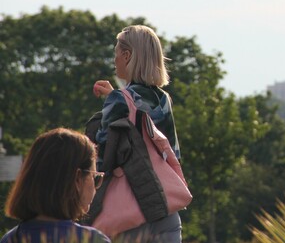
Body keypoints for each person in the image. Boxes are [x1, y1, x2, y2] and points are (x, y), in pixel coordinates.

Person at [91, 25, 182, 242]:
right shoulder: (164, 99)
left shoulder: (119, 100)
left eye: (116, 54)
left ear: (127, 55)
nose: (114, 61)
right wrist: (116, 97)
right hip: (165, 209)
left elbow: (104, 158)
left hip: (130, 213)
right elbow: (170, 153)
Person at [1, 128, 111, 243]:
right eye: (95, 177)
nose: (96, 187)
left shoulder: (10, 239)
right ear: (77, 178)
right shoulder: (92, 240)